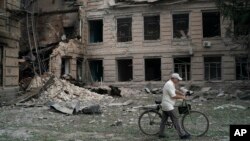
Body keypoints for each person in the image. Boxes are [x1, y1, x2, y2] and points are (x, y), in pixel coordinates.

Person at [159, 73, 191, 139]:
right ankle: (182, 135)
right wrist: (183, 97)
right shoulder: (169, 84)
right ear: (174, 79)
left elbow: (174, 91)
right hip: (168, 105)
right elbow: (173, 96)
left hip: (166, 104)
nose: (179, 81)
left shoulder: (171, 83)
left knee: (163, 121)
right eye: (178, 79)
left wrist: (182, 93)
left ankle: (161, 134)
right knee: (176, 119)